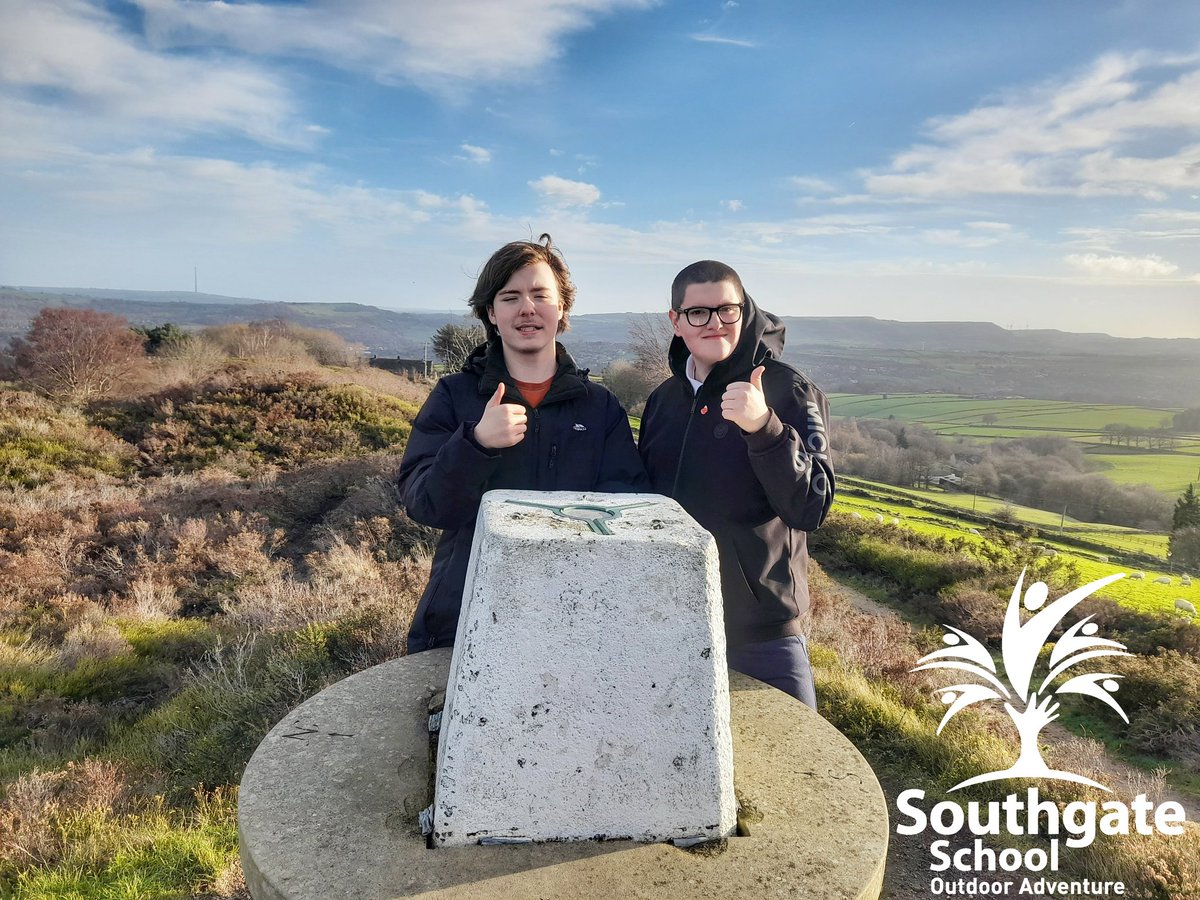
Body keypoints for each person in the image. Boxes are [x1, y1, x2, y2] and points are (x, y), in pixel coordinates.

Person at [398, 235, 647, 653]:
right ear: (491, 313)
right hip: (463, 616)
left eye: (540, 294)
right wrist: (475, 443)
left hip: (574, 618)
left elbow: (627, 508)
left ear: (562, 307)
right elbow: (425, 505)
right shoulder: (455, 396)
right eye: (510, 297)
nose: (527, 308)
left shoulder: (599, 407)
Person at [638, 260, 834, 708]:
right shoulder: (664, 401)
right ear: (676, 321)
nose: (715, 323)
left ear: (743, 311)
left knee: (790, 767)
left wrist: (764, 427)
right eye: (698, 313)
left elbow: (812, 507)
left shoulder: (788, 391)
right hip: (671, 622)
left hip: (761, 633)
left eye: (727, 309)